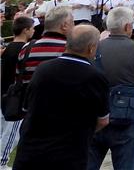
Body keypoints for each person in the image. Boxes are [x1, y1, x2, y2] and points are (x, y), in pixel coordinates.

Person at [12, 25, 109, 170]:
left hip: (32, 150)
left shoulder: (43, 69)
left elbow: (27, 107)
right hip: (69, 153)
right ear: (91, 48)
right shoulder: (95, 77)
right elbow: (103, 120)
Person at [88, 7, 134, 170]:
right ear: (127, 27)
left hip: (96, 112)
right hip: (125, 111)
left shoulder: (96, 47)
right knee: (126, 162)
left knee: (89, 160)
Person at [0, 17, 35, 169]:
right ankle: (2, 161)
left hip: (4, 91)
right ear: (25, 30)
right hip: (15, 96)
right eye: (32, 28)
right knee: (12, 132)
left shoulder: (8, 48)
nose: (33, 30)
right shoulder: (24, 49)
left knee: (3, 129)